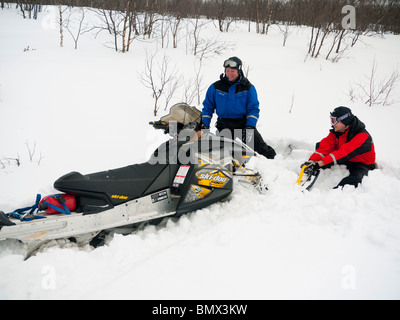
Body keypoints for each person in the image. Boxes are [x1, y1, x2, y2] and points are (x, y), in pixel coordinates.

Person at [201, 56, 276, 159]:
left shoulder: (248, 88)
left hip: (243, 125)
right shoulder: (215, 87)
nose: (229, 73)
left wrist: (250, 127)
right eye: (227, 71)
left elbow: (253, 109)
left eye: (232, 71)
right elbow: (208, 108)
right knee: (224, 155)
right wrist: (204, 125)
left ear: (239, 71)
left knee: (262, 150)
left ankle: (273, 163)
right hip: (224, 126)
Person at [304, 106, 376, 189]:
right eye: (331, 120)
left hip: (361, 164)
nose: (332, 124)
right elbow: (326, 145)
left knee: (354, 180)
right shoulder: (339, 130)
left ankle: (337, 193)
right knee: (320, 145)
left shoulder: (363, 136)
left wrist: (319, 164)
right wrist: (312, 161)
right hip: (346, 159)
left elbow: (343, 153)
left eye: (334, 121)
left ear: (344, 121)